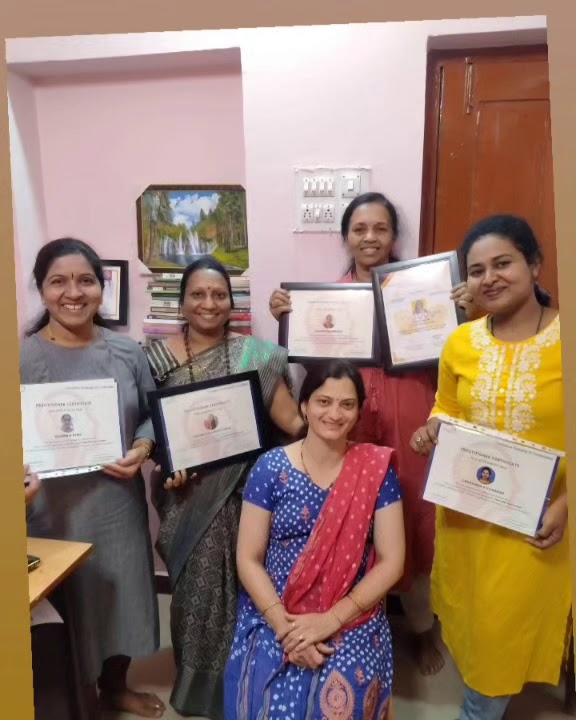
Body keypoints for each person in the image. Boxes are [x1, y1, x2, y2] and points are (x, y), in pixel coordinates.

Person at [267, 191, 473, 675]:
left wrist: (464, 313)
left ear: (393, 235)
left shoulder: (425, 289)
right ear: (346, 237)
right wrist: (290, 320)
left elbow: (459, 355)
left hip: (414, 426)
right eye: (359, 229)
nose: (370, 238)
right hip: (350, 428)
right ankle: (351, 623)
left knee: (418, 527)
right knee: (352, 524)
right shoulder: (326, 299)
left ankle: (421, 628)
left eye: (380, 228)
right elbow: (311, 371)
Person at [410, 214, 571, 720]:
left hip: (538, 522)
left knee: (502, 636)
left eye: (503, 264)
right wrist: (432, 428)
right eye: (477, 270)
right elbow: (446, 407)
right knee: (475, 626)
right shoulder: (461, 342)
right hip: (468, 516)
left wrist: (567, 504)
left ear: (535, 264)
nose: (489, 278)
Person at [144, 256, 304, 720]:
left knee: (245, 591)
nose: (209, 303)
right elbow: (151, 427)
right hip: (187, 498)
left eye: (219, 295)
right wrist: (165, 463)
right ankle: (196, 689)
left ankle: (243, 684)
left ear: (232, 303)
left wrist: (335, 418)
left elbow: (293, 424)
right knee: (194, 597)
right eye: (197, 294)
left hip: (246, 495)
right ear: (182, 302)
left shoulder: (257, 356)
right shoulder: (155, 358)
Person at [21, 237, 163, 719]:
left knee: (120, 601)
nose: (73, 293)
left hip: (116, 505)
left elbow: (151, 416)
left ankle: (115, 688)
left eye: (85, 280)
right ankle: (72, 699)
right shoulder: (19, 359)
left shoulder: (126, 351)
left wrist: (142, 449)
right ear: (41, 289)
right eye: (58, 282)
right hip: (50, 512)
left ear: (101, 288)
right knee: (68, 610)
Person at [224, 360, 405, 719]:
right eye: (324, 401)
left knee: (343, 699)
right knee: (268, 698)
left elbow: (392, 562)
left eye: (347, 404)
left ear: (358, 412)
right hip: (277, 608)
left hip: (349, 609)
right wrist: (285, 629)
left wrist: (331, 620)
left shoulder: (375, 470)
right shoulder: (270, 468)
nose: (334, 414)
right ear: (304, 407)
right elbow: (248, 558)